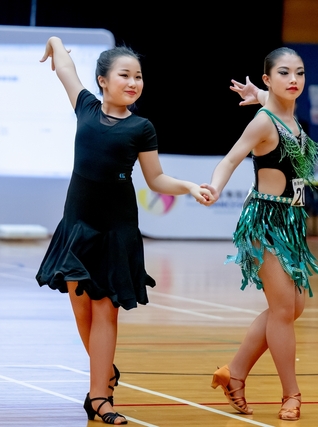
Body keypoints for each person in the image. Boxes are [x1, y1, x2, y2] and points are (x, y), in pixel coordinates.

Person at [36, 36, 212, 425]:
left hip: (116, 228)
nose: (133, 83)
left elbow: (156, 178)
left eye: (138, 77)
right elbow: (65, 69)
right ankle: (106, 374)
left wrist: (188, 186)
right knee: (81, 309)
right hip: (78, 224)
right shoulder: (85, 106)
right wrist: (55, 42)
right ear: (103, 80)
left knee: (105, 310)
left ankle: (100, 397)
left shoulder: (140, 127)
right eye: (125, 75)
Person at [202, 47, 318, 421]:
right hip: (265, 221)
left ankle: (234, 373)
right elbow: (231, 158)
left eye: (300, 73)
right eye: (284, 73)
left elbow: (278, 106)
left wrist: (260, 95)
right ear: (268, 78)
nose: (294, 79)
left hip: (292, 223)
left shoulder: (290, 119)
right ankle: (291, 394)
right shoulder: (263, 123)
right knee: (283, 309)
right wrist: (214, 187)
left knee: (292, 307)